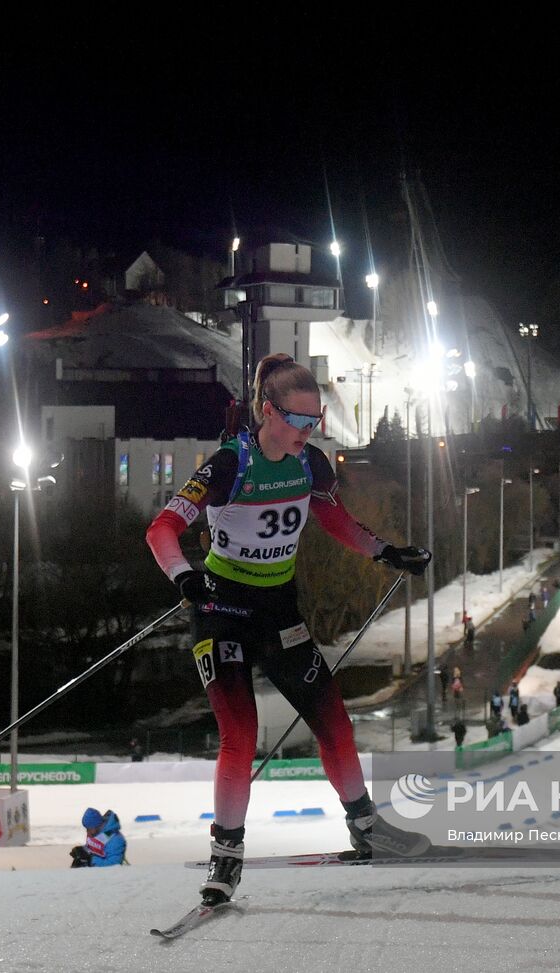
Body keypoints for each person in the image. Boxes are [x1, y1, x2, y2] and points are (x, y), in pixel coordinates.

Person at [145, 352, 433, 907]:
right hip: (222, 609)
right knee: (240, 736)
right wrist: (185, 578)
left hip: (280, 609)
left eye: (316, 419)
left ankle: (365, 825)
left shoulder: (312, 465)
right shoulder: (231, 464)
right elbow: (162, 529)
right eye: (299, 420)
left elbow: (334, 520)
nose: (309, 431)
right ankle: (226, 855)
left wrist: (385, 552)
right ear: (267, 411)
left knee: (333, 720)